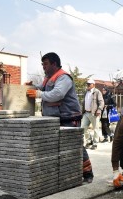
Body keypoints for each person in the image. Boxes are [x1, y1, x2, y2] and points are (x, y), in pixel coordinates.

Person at [26, 52, 94, 183]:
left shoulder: (64, 78)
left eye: (46, 64)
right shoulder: (48, 78)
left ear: (54, 64)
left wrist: (38, 93)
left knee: (76, 144)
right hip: (54, 119)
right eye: (42, 64)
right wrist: (32, 86)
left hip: (68, 118)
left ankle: (87, 173)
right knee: (56, 147)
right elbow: (41, 88)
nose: (43, 67)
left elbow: (57, 94)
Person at [81, 79, 104, 150]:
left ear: (93, 85)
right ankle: (89, 141)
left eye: (89, 84)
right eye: (87, 84)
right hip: (86, 113)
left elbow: (101, 102)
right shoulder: (86, 92)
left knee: (96, 129)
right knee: (83, 127)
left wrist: (99, 109)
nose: (87, 85)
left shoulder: (97, 92)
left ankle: (95, 143)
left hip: (94, 113)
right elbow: (84, 102)